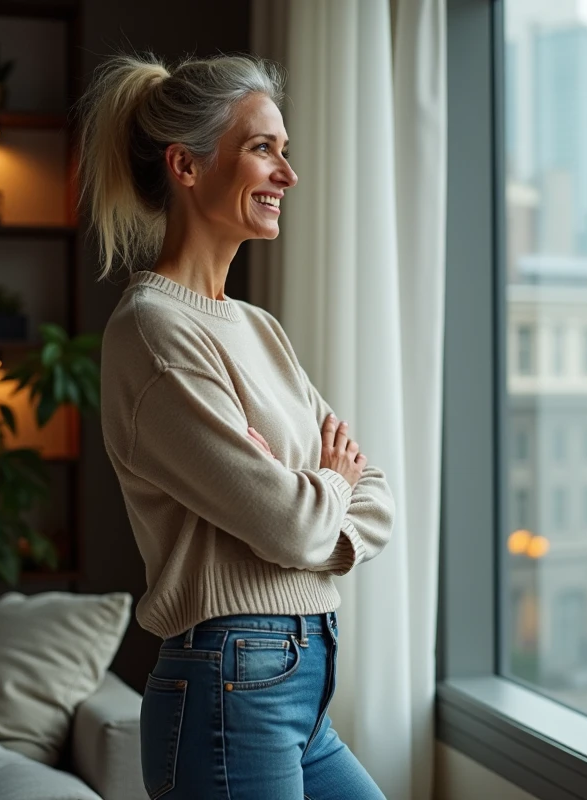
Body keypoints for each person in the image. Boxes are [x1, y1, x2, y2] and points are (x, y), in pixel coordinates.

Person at [78, 51, 394, 799]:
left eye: (285, 152)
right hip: (230, 681)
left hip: (300, 682)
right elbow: (287, 524)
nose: (287, 175)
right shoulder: (153, 331)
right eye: (262, 149)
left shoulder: (257, 329)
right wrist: (323, 487)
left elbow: (372, 496)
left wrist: (314, 500)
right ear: (186, 166)